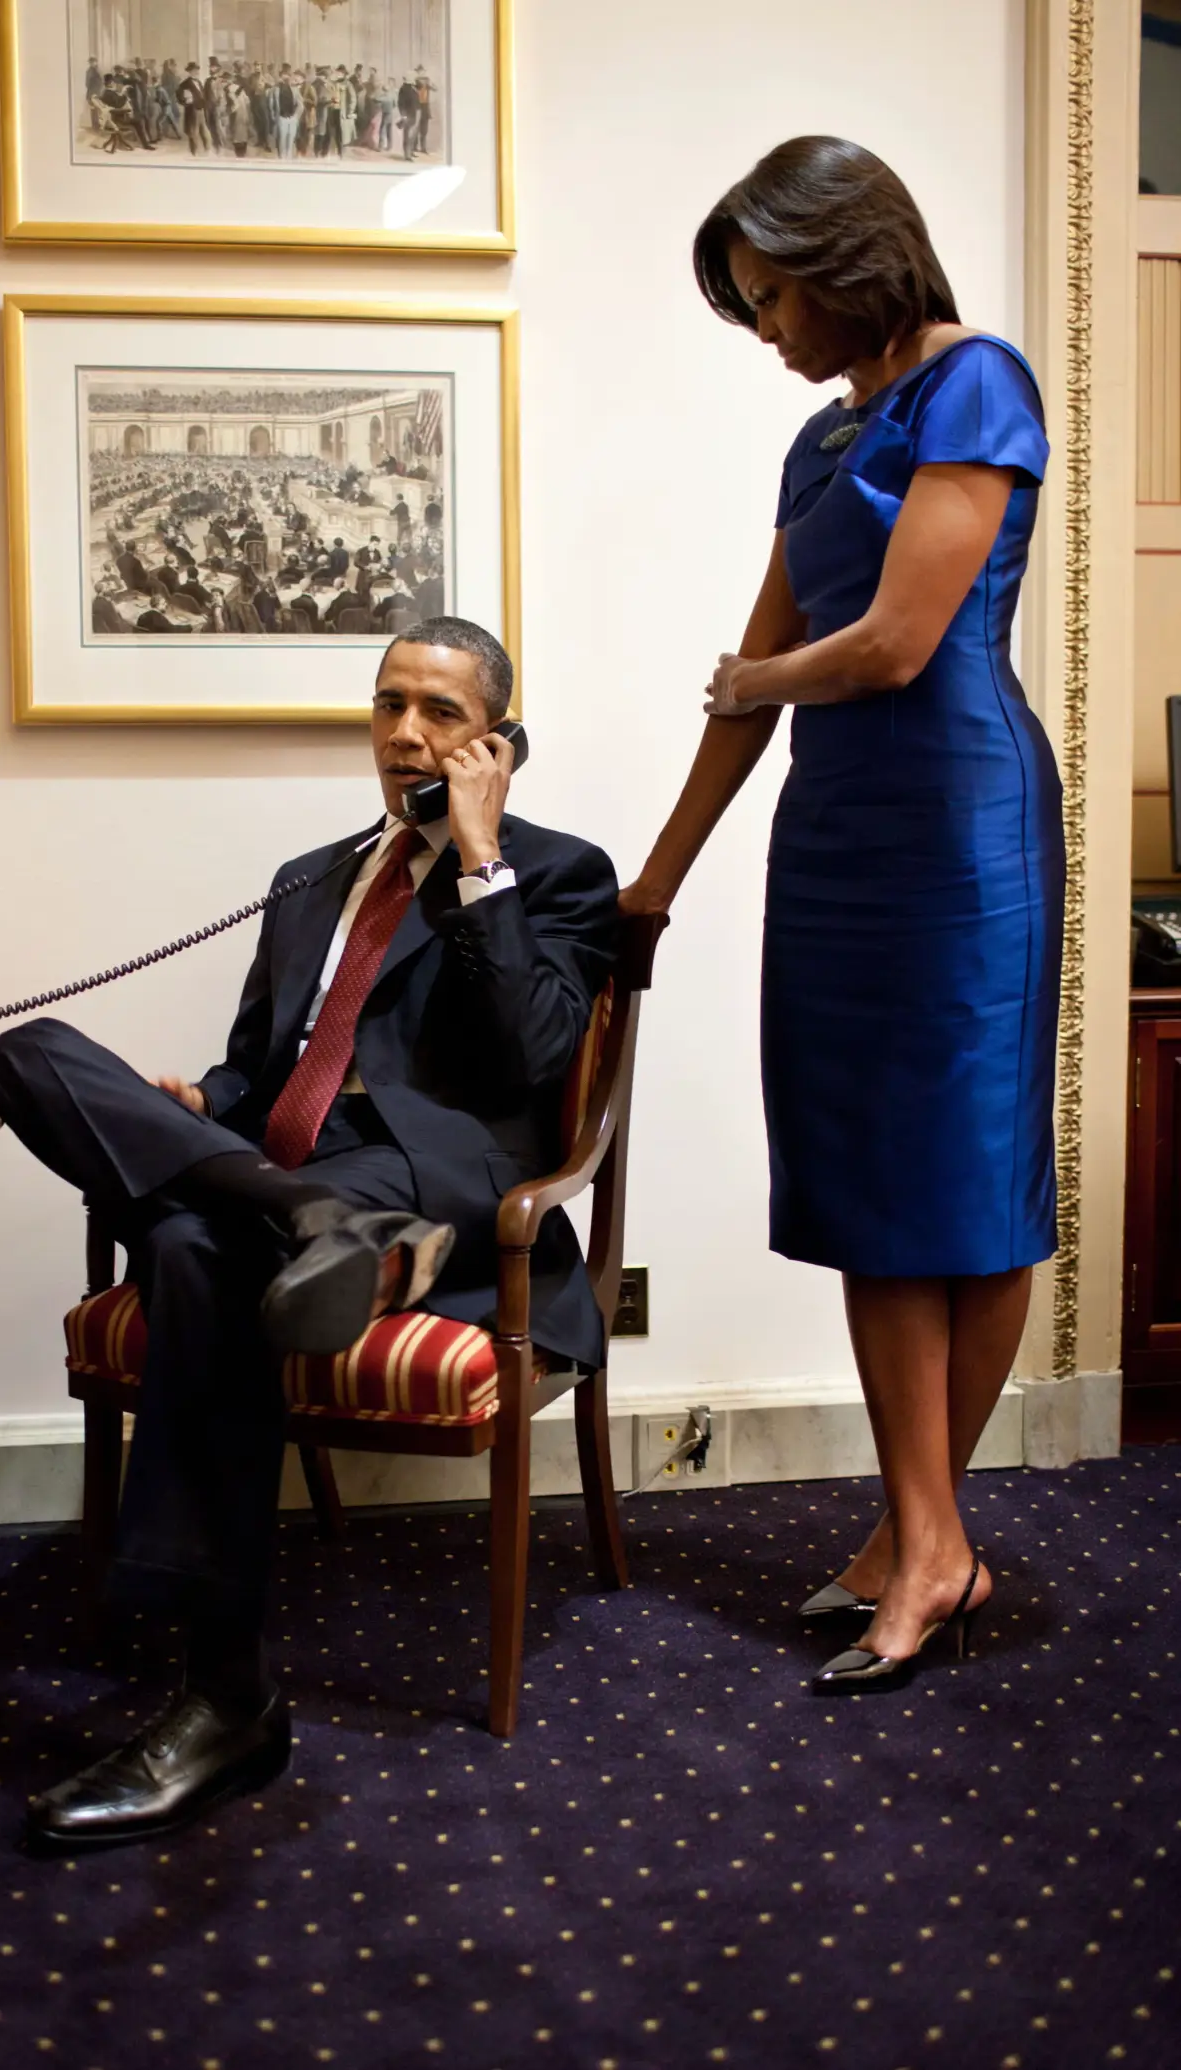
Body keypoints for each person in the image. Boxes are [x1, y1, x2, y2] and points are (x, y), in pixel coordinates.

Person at [0, 618, 618, 1849]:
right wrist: (199, 1116)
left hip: (430, 1183)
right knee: (32, 1055)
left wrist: (476, 857)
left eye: (438, 711)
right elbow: (252, 1071)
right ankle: (300, 1217)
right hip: (305, 1178)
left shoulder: (555, 870)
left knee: (183, 1254)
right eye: (388, 705)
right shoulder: (307, 877)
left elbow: (538, 1064)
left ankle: (221, 1695)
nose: (403, 734)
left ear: (495, 740)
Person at [622, 136, 1064, 1697]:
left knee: (961, 1177)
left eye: (769, 296)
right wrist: (658, 877)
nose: (763, 332)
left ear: (843, 253)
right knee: (868, 1174)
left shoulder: (975, 385)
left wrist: (755, 676)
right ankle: (914, 1532)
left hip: (960, 829)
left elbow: (885, 645)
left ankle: (931, 1540)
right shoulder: (821, 445)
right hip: (834, 838)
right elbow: (745, 691)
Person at [178, 63, 208, 155]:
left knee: (204, 131)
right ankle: (194, 152)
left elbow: (203, 95)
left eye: (197, 70)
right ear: (189, 71)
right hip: (192, 110)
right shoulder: (184, 84)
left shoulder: (199, 82)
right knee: (193, 131)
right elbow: (179, 97)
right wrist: (186, 102)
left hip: (201, 109)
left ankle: (207, 151)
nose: (196, 72)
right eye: (194, 70)